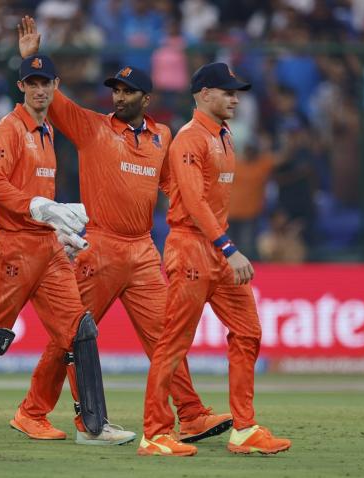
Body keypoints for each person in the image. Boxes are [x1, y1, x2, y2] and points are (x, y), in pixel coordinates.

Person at [13, 16, 231, 446]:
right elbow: (53, 102)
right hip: (101, 247)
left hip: (143, 250)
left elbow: (173, 185)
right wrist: (31, 58)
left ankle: (191, 414)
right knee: (72, 335)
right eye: (115, 89)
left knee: (166, 335)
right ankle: (32, 411)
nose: (119, 96)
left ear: (146, 98)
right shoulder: (93, 127)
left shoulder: (162, 137)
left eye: (128, 91)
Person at [0, 53, 135, 445]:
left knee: (79, 328)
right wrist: (37, 206)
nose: (40, 89)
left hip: (46, 248)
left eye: (46, 83)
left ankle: (92, 427)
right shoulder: (9, 129)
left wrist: (54, 223)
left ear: (55, 86)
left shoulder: (46, 132)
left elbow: (37, 193)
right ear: (21, 87)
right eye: (33, 83)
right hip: (14, 247)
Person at [139, 63, 292, 456]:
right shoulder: (190, 138)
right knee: (173, 342)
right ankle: (155, 434)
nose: (235, 98)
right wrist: (229, 247)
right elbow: (192, 201)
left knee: (248, 331)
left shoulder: (224, 134)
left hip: (215, 248)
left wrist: (223, 247)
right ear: (204, 93)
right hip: (192, 248)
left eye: (236, 92)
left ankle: (243, 429)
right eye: (227, 92)